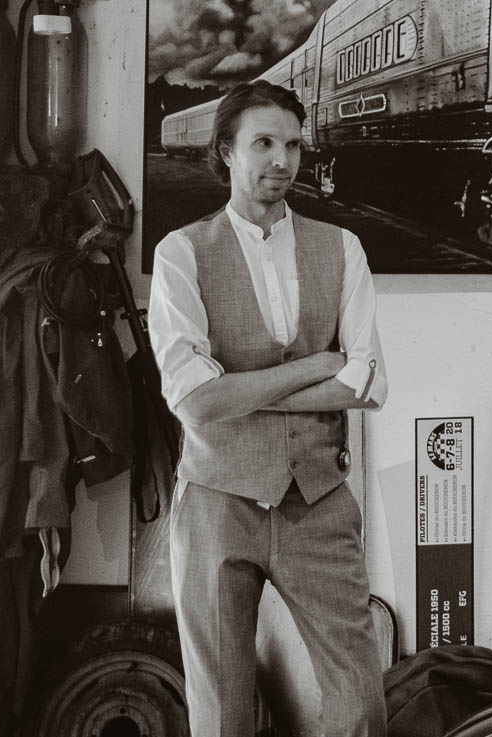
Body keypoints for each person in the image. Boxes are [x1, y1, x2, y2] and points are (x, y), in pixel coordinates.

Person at [148, 80, 389, 737]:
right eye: (263, 143)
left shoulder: (341, 247)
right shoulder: (180, 254)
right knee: (223, 716)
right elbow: (195, 402)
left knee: (362, 705)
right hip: (217, 502)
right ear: (226, 151)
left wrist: (242, 386)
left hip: (320, 502)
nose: (281, 159)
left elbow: (368, 385)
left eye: (293, 144)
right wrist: (315, 364)